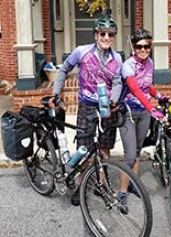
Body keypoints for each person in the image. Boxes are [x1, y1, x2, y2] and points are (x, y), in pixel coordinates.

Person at [51, 12, 123, 206]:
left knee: (105, 150)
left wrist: (114, 100)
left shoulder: (117, 58)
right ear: (95, 35)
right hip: (87, 107)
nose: (107, 38)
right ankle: (80, 185)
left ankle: (100, 185)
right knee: (84, 149)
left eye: (110, 34)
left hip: (107, 109)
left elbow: (117, 81)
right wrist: (56, 93)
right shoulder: (82, 51)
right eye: (102, 34)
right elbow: (64, 69)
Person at [118, 29, 168, 214]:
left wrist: (160, 96)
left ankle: (132, 184)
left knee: (137, 150)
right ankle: (121, 194)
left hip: (144, 113)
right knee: (130, 155)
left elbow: (147, 88)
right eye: (139, 46)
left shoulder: (150, 63)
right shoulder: (128, 66)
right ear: (133, 47)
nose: (143, 49)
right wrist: (152, 108)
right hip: (128, 113)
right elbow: (135, 89)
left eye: (147, 46)